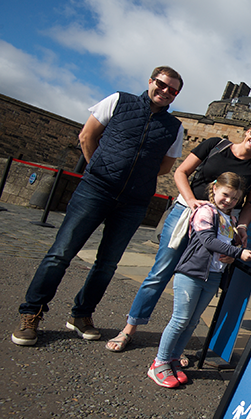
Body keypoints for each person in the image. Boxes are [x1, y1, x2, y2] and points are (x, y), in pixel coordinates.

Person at [12, 66, 185, 347]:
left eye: (173, 90)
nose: (166, 92)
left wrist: (133, 179)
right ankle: (32, 312)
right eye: (162, 85)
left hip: (133, 201)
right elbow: (86, 136)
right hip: (96, 190)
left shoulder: (174, 127)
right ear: (151, 81)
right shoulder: (119, 100)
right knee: (61, 253)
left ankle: (81, 314)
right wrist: (99, 170)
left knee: (107, 264)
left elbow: (165, 166)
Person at [105, 121, 251, 354]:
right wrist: (192, 201)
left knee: (199, 281)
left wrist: (242, 228)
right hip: (185, 213)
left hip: (219, 227)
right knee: (160, 272)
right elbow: (181, 172)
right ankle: (129, 328)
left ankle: (175, 349)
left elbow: (250, 205)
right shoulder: (215, 145)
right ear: (248, 131)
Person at [147, 172, 251, 388]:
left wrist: (233, 252)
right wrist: (237, 253)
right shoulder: (205, 211)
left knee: (192, 321)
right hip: (191, 273)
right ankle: (159, 363)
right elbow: (208, 241)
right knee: (180, 319)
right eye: (226, 195)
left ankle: (174, 360)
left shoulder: (230, 219)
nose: (229, 201)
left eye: (235, 199)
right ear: (215, 188)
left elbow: (229, 246)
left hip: (213, 276)